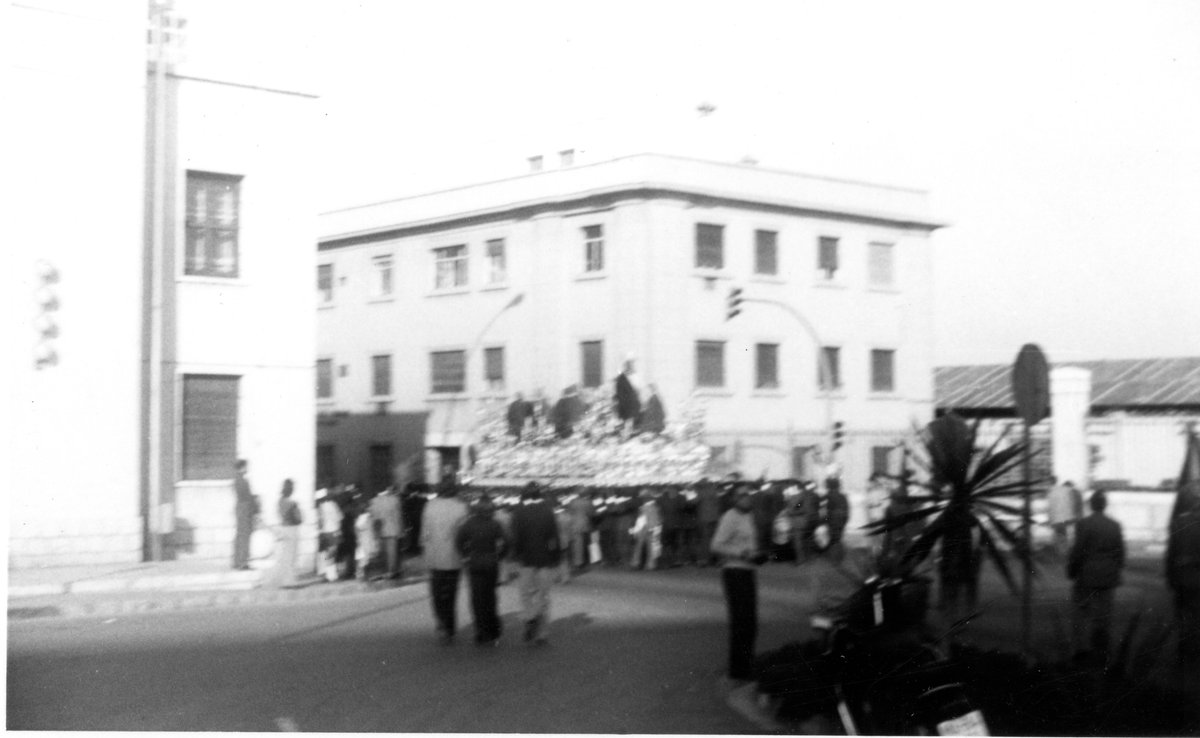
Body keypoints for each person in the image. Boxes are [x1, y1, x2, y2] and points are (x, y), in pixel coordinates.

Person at [711, 484, 762, 682]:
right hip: (734, 572)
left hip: (748, 570)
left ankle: (746, 664)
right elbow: (716, 545)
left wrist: (757, 554)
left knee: (750, 622)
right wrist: (742, 553)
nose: (746, 497)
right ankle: (738, 669)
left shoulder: (748, 516)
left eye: (748, 494)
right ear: (733, 498)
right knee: (741, 621)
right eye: (742, 495)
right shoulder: (730, 517)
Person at [1067, 491, 1126, 661]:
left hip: (1087, 573)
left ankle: (1081, 650)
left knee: (1081, 612)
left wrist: (1072, 569)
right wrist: (1116, 568)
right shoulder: (1114, 525)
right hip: (1107, 574)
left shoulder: (1083, 524)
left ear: (1091, 505)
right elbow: (1120, 552)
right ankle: (1101, 651)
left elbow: (1078, 550)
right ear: (1105, 505)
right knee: (1103, 614)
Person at [509, 482, 562, 644]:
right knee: (543, 595)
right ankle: (542, 633)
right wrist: (556, 557)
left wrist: (515, 555)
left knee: (526, 593)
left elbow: (515, 538)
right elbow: (554, 537)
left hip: (526, 559)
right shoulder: (548, 511)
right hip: (545, 558)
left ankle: (530, 617)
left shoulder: (519, 512)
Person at [455, 495, 508, 646]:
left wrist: (465, 555)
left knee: (477, 599)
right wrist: (500, 555)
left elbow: (459, 541)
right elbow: (507, 542)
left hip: (474, 563)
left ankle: (481, 632)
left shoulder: (468, 524)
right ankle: (493, 631)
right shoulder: (495, 524)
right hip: (491, 563)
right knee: (490, 598)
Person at [420, 480, 469, 645]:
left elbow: (424, 533)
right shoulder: (461, 507)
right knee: (451, 593)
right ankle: (450, 626)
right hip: (454, 556)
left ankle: (440, 620)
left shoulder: (430, 506)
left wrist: (425, 549)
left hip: (434, 555)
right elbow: (464, 535)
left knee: (436, 592)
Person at [1165, 493, 1200, 665]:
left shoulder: (1179, 522)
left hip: (1182, 577)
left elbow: (1171, 553)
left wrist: (1170, 577)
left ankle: (1184, 651)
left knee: (1183, 615)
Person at [266, 479, 302, 588]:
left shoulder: (280, 502)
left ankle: (284, 580)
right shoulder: (292, 503)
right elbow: (298, 519)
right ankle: (289, 581)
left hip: (283, 528)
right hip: (292, 530)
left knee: (285, 557)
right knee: (291, 557)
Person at [369, 483, 404, 579]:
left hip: (380, 530)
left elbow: (374, 518)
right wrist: (401, 530)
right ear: (387, 489)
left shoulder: (374, 501)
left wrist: (375, 532)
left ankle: (384, 570)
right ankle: (392, 571)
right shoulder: (394, 500)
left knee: (383, 552)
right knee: (392, 552)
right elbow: (398, 516)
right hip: (393, 529)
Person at [1047, 477, 1084, 559]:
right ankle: (1065, 552)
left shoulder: (1053, 492)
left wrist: (1051, 519)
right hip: (1069, 518)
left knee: (1062, 536)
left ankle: (1063, 553)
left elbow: (1052, 507)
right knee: (1065, 535)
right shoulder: (1071, 492)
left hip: (1062, 519)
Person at [232, 459, 258, 571]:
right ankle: (243, 562)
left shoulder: (237, 480)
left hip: (240, 509)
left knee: (240, 536)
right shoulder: (243, 481)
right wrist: (254, 508)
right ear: (242, 467)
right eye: (245, 467)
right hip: (245, 509)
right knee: (244, 536)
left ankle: (237, 561)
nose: (247, 469)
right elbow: (247, 497)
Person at [696, 479, 722, 567]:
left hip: (705, 519)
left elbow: (695, 501)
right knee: (715, 539)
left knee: (705, 540)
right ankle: (716, 560)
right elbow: (717, 503)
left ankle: (704, 560)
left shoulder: (702, 492)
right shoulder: (714, 491)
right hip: (714, 518)